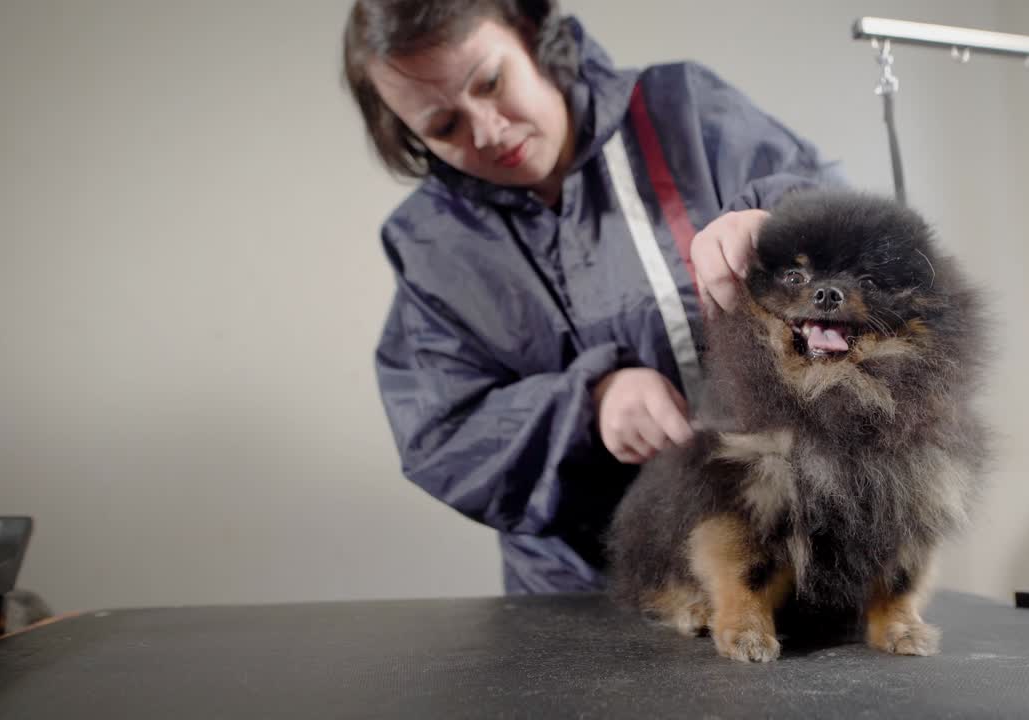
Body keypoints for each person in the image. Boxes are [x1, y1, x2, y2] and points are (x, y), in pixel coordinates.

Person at [342, 0, 839, 594]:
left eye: (492, 82)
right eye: (445, 127)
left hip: (780, 552)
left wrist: (777, 235)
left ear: (530, 32)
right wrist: (588, 405)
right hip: (582, 592)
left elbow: (842, 231)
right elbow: (442, 432)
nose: (489, 131)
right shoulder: (430, 244)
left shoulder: (679, 112)